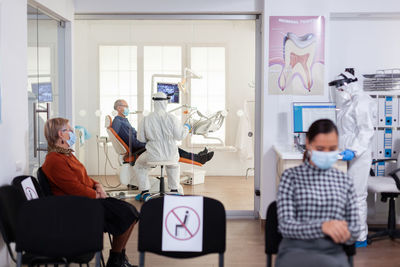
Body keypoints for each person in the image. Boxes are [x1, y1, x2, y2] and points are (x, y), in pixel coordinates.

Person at [42, 117, 139, 267]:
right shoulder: (54, 160)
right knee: (128, 214)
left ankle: (118, 258)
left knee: (131, 212)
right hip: (79, 207)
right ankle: (115, 260)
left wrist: (97, 185)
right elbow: (75, 188)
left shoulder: (66, 154)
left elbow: (83, 178)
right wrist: (96, 194)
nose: (73, 132)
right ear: (61, 134)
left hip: (88, 201)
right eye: (69, 129)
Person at [276, 119, 360, 267]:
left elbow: (354, 229)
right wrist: (323, 227)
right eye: (321, 149)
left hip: (332, 251)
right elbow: (286, 226)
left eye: (332, 148)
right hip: (295, 251)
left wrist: (346, 233)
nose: (327, 154)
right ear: (308, 143)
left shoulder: (344, 181)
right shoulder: (291, 177)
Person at [330, 69, 376, 247]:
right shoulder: (348, 102)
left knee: (357, 196)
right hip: (346, 153)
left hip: (360, 155)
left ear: (350, 84)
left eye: (341, 86)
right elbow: (346, 131)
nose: (339, 90)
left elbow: (366, 131)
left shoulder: (363, 101)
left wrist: (353, 151)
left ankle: (360, 237)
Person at [111, 99, 214, 165]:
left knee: (171, 146)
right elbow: (133, 143)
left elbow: (135, 137)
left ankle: (198, 157)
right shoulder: (119, 122)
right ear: (119, 108)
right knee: (170, 147)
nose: (128, 109)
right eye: (126, 106)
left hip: (140, 146)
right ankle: (199, 158)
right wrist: (150, 142)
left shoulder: (122, 121)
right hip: (138, 149)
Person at [132, 92, 191, 201]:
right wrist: (187, 127)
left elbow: (141, 139)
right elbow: (180, 136)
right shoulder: (172, 118)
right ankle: (174, 191)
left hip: (153, 155)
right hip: (171, 154)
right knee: (173, 165)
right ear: (165, 102)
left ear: (154, 102)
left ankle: (145, 193)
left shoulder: (146, 118)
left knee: (139, 166)